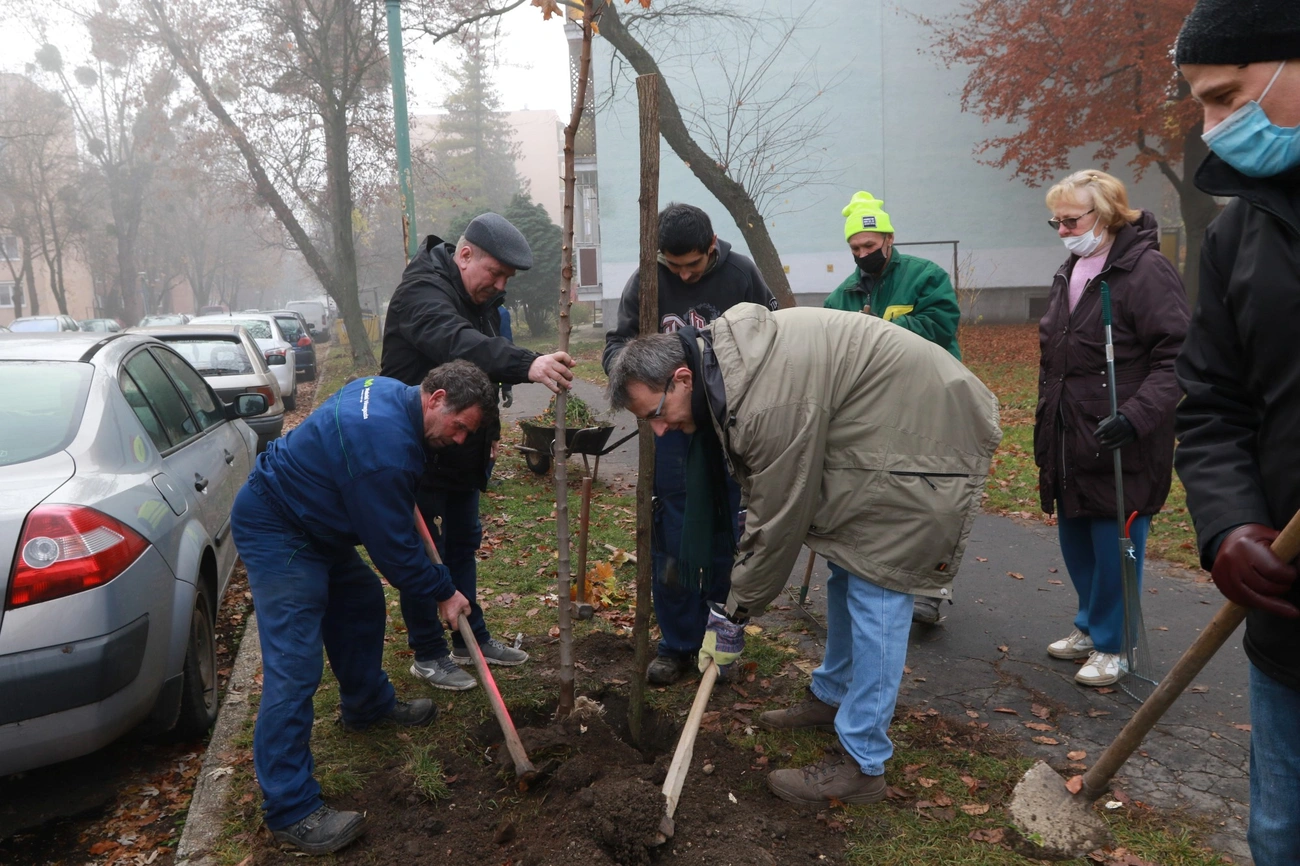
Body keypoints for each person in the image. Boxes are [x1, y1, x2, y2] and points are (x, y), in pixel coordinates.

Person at [607, 303, 1000, 806]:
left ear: (681, 378)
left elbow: (777, 518)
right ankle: (832, 695)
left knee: (878, 583)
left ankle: (863, 762)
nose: (659, 430)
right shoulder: (726, 367)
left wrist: (734, 614)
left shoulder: (763, 401)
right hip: (877, 431)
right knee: (846, 563)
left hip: (926, 435)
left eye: (656, 415)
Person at [230, 361, 494, 854]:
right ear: (435, 398)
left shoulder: (391, 392)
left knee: (361, 601)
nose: (460, 440)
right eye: (459, 426)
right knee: (294, 665)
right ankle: (291, 809)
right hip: (280, 524)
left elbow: (392, 514)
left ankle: (367, 704)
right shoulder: (384, 449)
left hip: (321, 520)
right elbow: (395, 553)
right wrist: (445, 590)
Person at [1174, 4, 1300, 862]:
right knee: (1280, 832)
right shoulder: (1236, 234)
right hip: (1291, 616)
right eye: (1204, 108)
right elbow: (1213, 401)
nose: (1218, 130)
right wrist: (1228, 527)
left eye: (1229, 97)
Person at [381, 213, 575, 691]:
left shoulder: (481, 293)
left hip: (464, 443)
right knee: (425, 550)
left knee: (464, 540)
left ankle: (471, 639)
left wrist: (488, 433)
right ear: (464, 255)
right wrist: (528, 363)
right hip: (417, 443)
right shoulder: (420, 294)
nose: (501, 284)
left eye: (508, 277)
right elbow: (460, 347)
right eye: (496, 273)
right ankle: (428, 652)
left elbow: (482, 377)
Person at [602, 202, 778, 686]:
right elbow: (617, 347)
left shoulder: (742, 274)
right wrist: (641, 379)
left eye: (692, 265)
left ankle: (718, 641)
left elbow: (772, 338)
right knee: (674, 535)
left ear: (712, 247)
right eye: (674, 265)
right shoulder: (647, 281)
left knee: (728, 529)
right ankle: (677, 643)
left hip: (730, 429)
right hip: (673, 431)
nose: (683, 274)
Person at [1034, 170, 1189, 688]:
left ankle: (1115, 643)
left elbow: (1178, 357)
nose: (1063, 230)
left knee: (1114, 543)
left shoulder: (1146, 271)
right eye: (1056, 221)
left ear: (1106, 214)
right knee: (1078, 539)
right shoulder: (1072, 268)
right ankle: (1090, 625)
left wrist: (1139, 415)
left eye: (1071, 220)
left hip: (1122, 437)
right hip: (1071, 434)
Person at [824, 191, 964, 626]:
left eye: (870, 246)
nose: (863, 255)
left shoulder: (926, 276)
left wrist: (876, 330)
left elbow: (939, 325)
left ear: (888, 238)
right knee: (886, 502)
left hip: (929, 404)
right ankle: (882, 579)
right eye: (855, 249)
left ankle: (929, 590)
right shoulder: (842, 295)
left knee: (929, 502)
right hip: (875, 412)